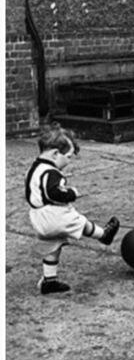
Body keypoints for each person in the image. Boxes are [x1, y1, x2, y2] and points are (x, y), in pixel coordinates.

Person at [24, 124, 120, 294]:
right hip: (53, 214)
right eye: (68, 157)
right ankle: (104, 235)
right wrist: (71, 193)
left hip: (38, 217)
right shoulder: (51, 172)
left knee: (52, 247)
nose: (69, 162)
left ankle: (49, 280)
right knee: (79, 221)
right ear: (55, 154)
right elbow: (54, 193)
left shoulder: (34, 169)